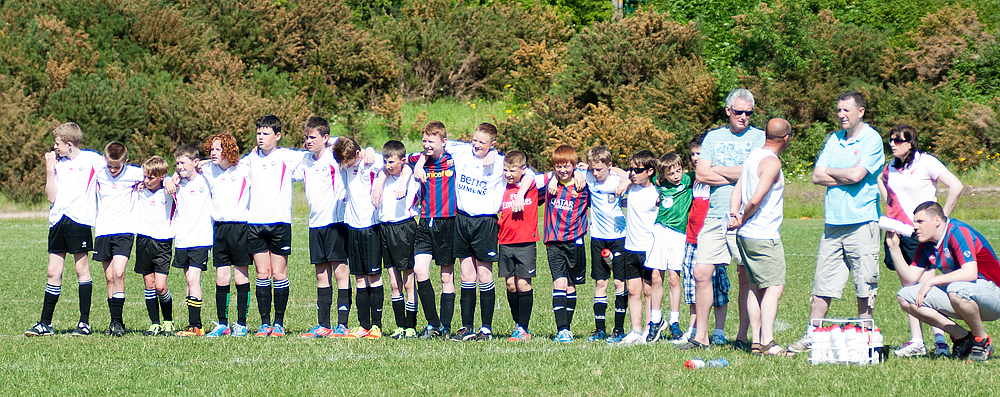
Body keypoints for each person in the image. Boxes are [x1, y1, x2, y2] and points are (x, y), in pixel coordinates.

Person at [788, 91, 885, 353]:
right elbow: (817, 176)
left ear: (860, 112)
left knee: (865, 284)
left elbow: (857, 175)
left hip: (862, 222)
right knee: (823, 283)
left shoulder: (872, 140)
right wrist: (844, 175)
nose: (841, 115)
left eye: (846, 110)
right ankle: (812, 335)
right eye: (839, 110)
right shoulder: (834, 139)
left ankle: (866, 337)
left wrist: (838, 172)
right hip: (834, 223)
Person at [686, 88, 765, 350]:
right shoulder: (713, 137)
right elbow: (701, 174)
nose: (744, 117)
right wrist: (737, 174)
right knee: (701, 272)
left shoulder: (758, 137)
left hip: (745, 215)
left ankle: (743, 336)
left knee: (745, 275)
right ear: (728, 111)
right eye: (739, 112)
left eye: (749, 113)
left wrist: (718, 170)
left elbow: (753, 171)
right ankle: (701, 337)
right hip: (715, 214)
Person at [878, 124, 964, 357]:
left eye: (899, 140)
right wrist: (891, 209)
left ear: (911, 143)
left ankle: (941, 340)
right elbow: (881, 181)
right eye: (891, 140)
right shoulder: (890, 168)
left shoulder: (926, 162)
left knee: (927, 288)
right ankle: (916, 340)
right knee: (908, 287)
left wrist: (941, 217)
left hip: (922, 234)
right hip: (899, 232)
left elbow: (956, 185)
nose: (893, 144)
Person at [889, 202, 1000, 362]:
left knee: (956, 289)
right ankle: (962, 337)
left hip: (993, 294)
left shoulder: (957, 231)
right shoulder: (926, 244)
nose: (915, 227)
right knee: (905, 296)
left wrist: (932, 281)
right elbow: (910, 278)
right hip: (964, 296)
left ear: (937, 221)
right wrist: (894, 248)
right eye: (914, 222)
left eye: (919, 222)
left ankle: (981, 339)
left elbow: (970, 273)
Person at [26, 122, 105, 337]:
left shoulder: (92, 160)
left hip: (79, 221)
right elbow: (51, 196)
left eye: (58, 143)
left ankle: (84, 323)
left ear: (69, 144)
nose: (54, 147)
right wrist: (49, 171)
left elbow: (117, 167)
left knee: (82, 270)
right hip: (58, 221)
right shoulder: (57, 165)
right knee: (53, 271)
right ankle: (45, 323)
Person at [729, 118, 793, 356]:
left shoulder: (753, 156)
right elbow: (756, 199)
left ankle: (756, 341)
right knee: (775, 286)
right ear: (786, 138)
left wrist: (734, 215)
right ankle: (768, 341)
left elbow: (738, 188)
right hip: (763, 235)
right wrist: (743, 216)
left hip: (746, 235)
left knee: (754, 287)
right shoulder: (772, 163)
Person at [243, 115, 306, 337]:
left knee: (279, 274)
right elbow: (226, 166)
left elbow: (320, 152)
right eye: (258, 133)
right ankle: (264, 323)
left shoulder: (286, 157)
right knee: (262, 273)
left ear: (277, 136)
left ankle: (279, 323)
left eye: (266, 133)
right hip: (255, 224)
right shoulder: (249, 159)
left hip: (280, 223)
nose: (260, 137)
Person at [294, 117, 352, 339]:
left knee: (340, 273)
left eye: (313, 137)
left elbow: (350, 146)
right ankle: (323, 325)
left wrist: (332, 141)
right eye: (306, 137)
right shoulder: (306, 161)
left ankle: (342, 325)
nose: (308, 141)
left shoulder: (335, 156)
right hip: (315, 223)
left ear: (325, 138)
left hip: (335, 222)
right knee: (321, 276)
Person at [678, 134, 730, 345]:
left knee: (719, 286)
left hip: (714, 238)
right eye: (692, 154)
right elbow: (658, 172)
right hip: (693, 240)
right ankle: (696, 330)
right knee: (693, 287)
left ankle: (719, 330)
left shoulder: (716, 181)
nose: (695, 157)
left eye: (700, 153)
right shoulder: (689, 179)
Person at [409, 121, 459, 340]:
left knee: (446, 277)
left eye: (432, 141)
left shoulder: (454, 160)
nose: (427, 145)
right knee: (420, 270)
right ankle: (433, 323)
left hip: (447, 223)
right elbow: (400, 156)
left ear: (444, 142)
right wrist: (420, 161)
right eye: (424, 140)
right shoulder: (417, 159)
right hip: (425, 222)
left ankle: (445, 327)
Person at [201, 133, 253, 337]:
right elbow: (188, 168)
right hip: (219, 229)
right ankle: (222, 324)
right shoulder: (207, 170)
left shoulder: (244, 169)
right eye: (212, 149)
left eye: (218, 149)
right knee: (222, 277)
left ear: (228, 150)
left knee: (241, 276)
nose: (213, 153)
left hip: (240, 228)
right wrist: (173, 178)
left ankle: (241, 323)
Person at [334, 136, 386, 339]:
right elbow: (334, 139)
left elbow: (398, 162)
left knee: (373, 277)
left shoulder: (371, 161)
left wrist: (380, 182)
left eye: (349, 163)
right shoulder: (346, 159)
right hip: (353, 227)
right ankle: (363, 325)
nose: (346, 166)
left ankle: (376, 326)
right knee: (359, 278)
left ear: (357, 154)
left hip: (371, 225)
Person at [92, 142, 144, 337]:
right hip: (103, 230)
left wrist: (168, 181)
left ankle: (118, 322)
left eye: (117, 166)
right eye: (110, 166)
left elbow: (156, 174)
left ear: (126, 161)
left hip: (125, 230)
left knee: (119, 273)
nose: (113, 170)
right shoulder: (98, 172)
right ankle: (114, 321)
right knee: (109, 278)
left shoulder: (134, 173)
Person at [542, 145, 591, 343]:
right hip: (554, 242)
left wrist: (580, 172)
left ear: (573, 165)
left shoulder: (583, 185)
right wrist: (553, 178)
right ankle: (561, 329)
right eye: (558, 166)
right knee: (559, 283)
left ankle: (567, 328)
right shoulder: (549, 186)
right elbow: (529, 174)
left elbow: (606, 171)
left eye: (567, 166)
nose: (563, 170)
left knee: (571, 286)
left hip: (575, 242)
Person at [581, 147, 630, 342]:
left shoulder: (617, 179)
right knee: (601, 282)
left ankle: (618, 329)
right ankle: (599, 329)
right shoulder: (588, 176)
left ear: (609, 166)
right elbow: (571, 171)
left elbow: (629, 175)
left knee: (619, 282)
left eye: (600, 169)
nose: (595, 173)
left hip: (619, 237)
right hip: (597, 237)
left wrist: (625, 181)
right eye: (593, 169)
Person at [644, 153, 692, 343]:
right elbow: (632, 176)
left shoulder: (689, 180)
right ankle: (655, 321)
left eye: (678, 170)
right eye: (671, 173)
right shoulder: (659, 184)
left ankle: (674, 322)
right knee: (656, 276)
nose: (676, 175)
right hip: (661, 230)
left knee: (674, 278)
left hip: (679, 234)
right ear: (663, 175)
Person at [374, 140, 420, 339]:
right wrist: (381, 178)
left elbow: (411, 165)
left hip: (404, 228)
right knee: (394, 283)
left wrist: (403, 179)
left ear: (401, 160)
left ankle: (411, 326)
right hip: (385, 229)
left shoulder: (408, 176)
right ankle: (400, 326)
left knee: (409, 282)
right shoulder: (382, 175)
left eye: (392, 161)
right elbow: (374, 162)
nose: (387, 165)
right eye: (385, 160)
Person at [613, 150, 658, 344]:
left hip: (649, 247)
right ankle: (635, 330)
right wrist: (627, 180)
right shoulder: (631, 187)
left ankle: (650, 328)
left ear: (649, 171)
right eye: (631, 169)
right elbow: (614, 169)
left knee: (649, 291)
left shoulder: (657, 191)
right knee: (633, 290)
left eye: (637, 170)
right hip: (630, 246)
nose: (632, 173)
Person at [498, 151, 542, 342]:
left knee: (523, 284)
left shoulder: (531, 183)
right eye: (505, 169)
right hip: (505, 241)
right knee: (510, 285)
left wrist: (521, 194)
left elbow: (539, 175)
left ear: (523, 170)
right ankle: (517, 325)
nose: (508, 174)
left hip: (525, 242)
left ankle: (524, 328)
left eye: (513, 170)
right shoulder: (500, 186)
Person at [172, 145, 215, 337]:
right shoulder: (177, 183)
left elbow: (213, 162)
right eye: (177, 163)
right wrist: (172, 177)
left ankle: (197, 325)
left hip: (201, 239)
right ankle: (192, 325)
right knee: (188, 283)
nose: (179, 166)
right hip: (182, 240)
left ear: (195, 162)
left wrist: (199, 164)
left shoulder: (206, 180)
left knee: (193, 279)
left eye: (183, 162)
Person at [133, 156, 176, 336]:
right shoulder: (139, 190)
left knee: (160, 286)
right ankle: (155, 323)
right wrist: (140, 183)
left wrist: (168, 179)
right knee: (149, 284)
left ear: (161, 176)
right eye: (145, 177)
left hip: (163, 242)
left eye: (151, 178)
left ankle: (168, 321)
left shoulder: (170, 191)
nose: (147, 181)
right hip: (143, 240)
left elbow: (183, 175)